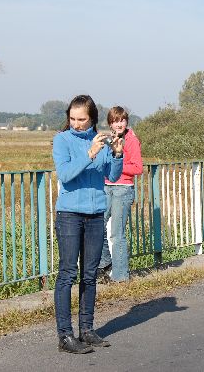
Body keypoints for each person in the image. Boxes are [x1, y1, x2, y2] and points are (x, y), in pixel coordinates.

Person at [52, 94, 124, 354]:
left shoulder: (101, 142)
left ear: (92, 118)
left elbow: (112, 176)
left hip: (95, 215)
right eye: (72, 118)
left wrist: (116, 155)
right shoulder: (62, 140)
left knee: (90, 275)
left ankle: (87, 329)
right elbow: (66, 175)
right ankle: (65, 335)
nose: (76, 124)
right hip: (70, 215)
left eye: (81, 119)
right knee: (68, 274)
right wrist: (90, 154)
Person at [98, 106, 144, 282]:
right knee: (97, 227)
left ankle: (120, 277)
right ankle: (105, 263)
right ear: (110, 123)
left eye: (122, 120)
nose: (119, 124)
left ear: (126, 122)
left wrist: (115, 168)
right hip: (106, 187)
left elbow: (137, 167)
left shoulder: (131, 141)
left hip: (122, 189)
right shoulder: (108, 140)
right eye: (115, 121)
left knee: (116, 234)